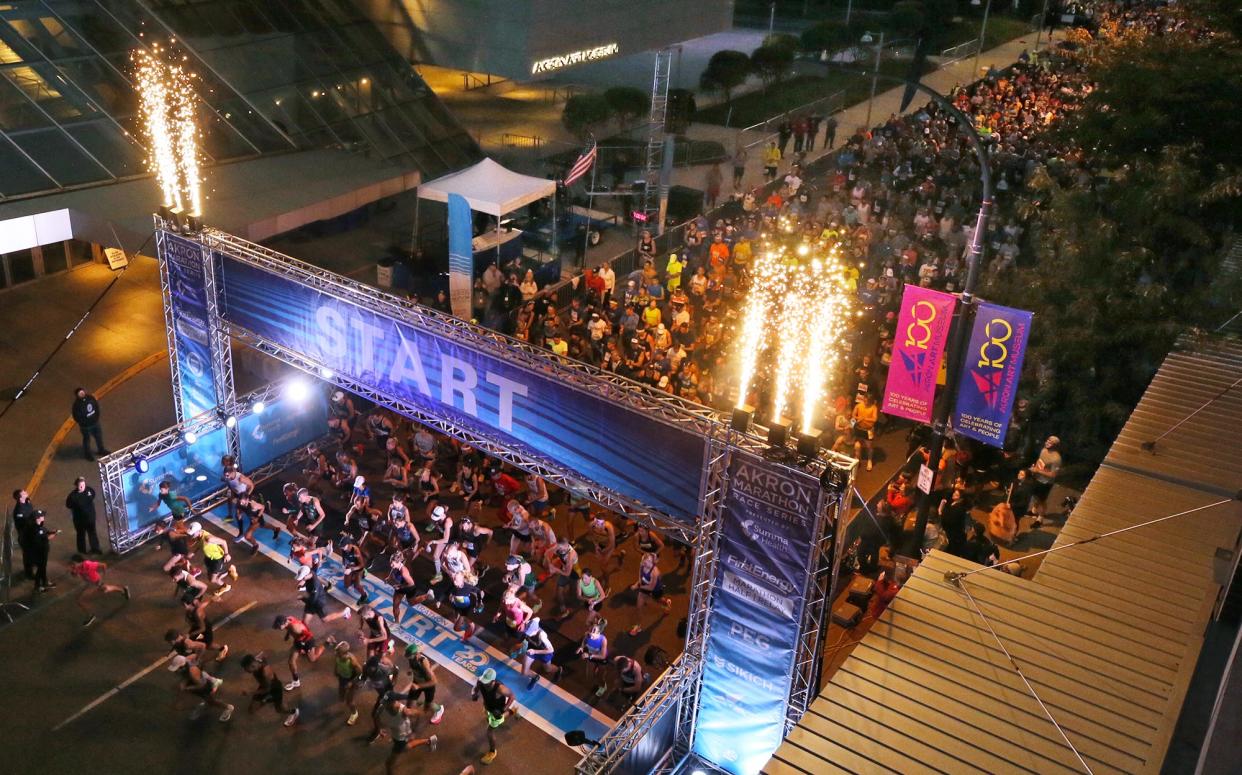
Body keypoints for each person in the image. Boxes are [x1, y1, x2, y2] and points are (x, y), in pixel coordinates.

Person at [375, 692, 438, 773]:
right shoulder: (382, 708)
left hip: (401, 738)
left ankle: (428, 741)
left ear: (393, 702)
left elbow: (420, 714)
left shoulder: (404, 711)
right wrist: (379, 729)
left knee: (389, 763)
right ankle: (429, 741)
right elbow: (376, 717)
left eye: (386, 703)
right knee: (406, 747)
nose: (383, 704)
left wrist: (414, 732)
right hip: (396, 735)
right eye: (384, 702)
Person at [471, 668, 518, 765]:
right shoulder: (481, 681)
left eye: (487, 682)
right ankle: (513, 711)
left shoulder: (500, 689)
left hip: (497, 712)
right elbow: (475, 688)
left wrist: (503, 709)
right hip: (488, 707)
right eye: (484, 681)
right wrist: (474, 694)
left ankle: (492, 752)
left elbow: (512, 696)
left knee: (489, 732)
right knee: (489, 718)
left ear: (493, 681)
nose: (484, 683)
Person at [68, 553, 129, 626]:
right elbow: (76, 575)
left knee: (80, 600)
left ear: (79, 562)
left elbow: (103, 565)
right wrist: (74, 573)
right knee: (106, 589)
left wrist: (103, 577)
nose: (72, 565)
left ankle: (90, 615)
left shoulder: (88, 564)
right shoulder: (77, 568)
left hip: (95, 582)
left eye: (73, 563)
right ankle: (123, 589)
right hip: (91, 583)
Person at [241, 652, 300, 727]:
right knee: (251, 709)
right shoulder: (257, 661)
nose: (245, 671)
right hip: (264, 685)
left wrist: (250, 693)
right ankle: (265, 700)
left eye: (246, 669)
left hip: (274, 689)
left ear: (252, 665)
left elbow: (266, 690)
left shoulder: (265, 673)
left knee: (279, 709)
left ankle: (294, 712)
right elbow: (263, 653)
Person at [273, 614, 327, 690]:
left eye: (279, 626)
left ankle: (326, 643)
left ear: (285, 623)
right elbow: (289, 628)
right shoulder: (288, 618)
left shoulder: (295, 628)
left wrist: (302, 645)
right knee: (291, 661)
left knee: (312, 659)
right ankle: (296, 681)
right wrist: (288, 635)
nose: (278, 628)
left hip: (307, 641)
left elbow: (308, 634)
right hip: (298, 641)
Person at [404, 643, 446, 725]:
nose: (407, 657)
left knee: (427, 707)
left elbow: (434, 681)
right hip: (416, 682)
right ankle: (406, 721)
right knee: (409, 704)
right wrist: (410, 670)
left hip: (428, 686)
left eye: (409, 655)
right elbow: (411, 664)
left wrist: (418, 686)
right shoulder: (411, 658)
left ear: (415, 654)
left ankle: (439, 709)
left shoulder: (423, 663)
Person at [515, 616, 561, 689]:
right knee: (524, 672)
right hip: (532, 650)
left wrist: (535, 651)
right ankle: (535, 677)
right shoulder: (528, 624)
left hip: (544, 652)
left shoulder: (542, 635)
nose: (528, 634)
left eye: (530, 632)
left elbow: (551, 649)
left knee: (547, 669)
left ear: (536, 630)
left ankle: (558, 670)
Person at [1027, 436, 1062, 527]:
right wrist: (1035, 467)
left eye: (1051, 442)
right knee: (1035, 496)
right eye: (1047, 440)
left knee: (1042, 500)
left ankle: (1040, 518)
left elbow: (1053, 474)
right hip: (1037, 478)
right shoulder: (1043, 450)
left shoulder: (1056, 459)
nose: (1047, 443)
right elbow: (1040, 462)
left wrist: (1037, 471)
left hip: (1045, 482)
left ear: (1055, 446)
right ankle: (1034, 510)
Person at [65, 476, 102, 554]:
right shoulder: (73, 496)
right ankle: (82, 552)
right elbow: (68, 505)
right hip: (79, 521)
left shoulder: (89, 490)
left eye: (83, 485)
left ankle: (95, 549)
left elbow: (93, 495)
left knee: (92, 533)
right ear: (76, 486)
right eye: (80, 485)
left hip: (90, 518)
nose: (82, 487)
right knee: (81, 535)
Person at [332, 641, 364, 725]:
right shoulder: (338, 656)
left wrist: (351, 682)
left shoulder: (352, 661)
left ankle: (354, 713)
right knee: (341, 694)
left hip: (351, 680)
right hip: (342, 678)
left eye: (338, 653)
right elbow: (336, 663)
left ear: (345, 654)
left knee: (349, 701)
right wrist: (335, 670)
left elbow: (360, 673)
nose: (336, 654)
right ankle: (343, 696)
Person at [71, 387, 108, 461]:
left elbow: (96, 407)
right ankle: (88, 454)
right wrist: (84, 423)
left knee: (99, 437)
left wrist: (96, 417)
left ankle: (101, 450)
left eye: (82, 392)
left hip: (95, 423)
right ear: (77, 395)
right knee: (87, 439)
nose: (82, 394)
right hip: (86, 426)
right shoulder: (77, 405)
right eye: (80, 393)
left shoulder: (90, 398)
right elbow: (76, 417)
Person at [577, 620, 610, 697]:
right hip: (591, 656)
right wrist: (581, 647)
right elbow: (584, 641)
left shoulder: (603, 640)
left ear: (599, 632)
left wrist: (589, 655)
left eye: (594, 630)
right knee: (589, 675)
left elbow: (603, 656)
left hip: (601, 659)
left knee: (599, 676)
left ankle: (603, 687)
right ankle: (597, 676)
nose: (591, 631)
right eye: (591, 629)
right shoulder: (587, 634)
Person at [12, 489, 37, 580]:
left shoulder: (27, 502)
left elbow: (31, 513)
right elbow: (23, 525)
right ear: (20, 497)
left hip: (32, 532)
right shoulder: (19, 510)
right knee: (27, 555)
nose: (27, 493)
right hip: (25, 536)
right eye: (24, 493)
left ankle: (33, 563)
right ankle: (29, 573)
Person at [28, 510, 56, 591]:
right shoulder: (34, 529)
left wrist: (51, 532)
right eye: (42, 516)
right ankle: (37, 586)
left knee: (43, 567)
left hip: (43, 551)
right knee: (40, 569)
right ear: (37, 518)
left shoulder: (39, 525)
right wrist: (48, 538)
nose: (43, 517)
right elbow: (37, 542)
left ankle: (45, 581)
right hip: (39, 552)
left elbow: (44, 532)